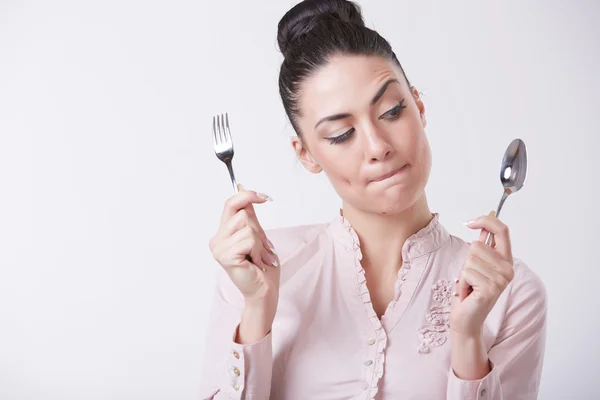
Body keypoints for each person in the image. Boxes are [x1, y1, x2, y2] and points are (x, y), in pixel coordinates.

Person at [201, 0, 547, 398]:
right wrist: (257, 310)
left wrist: (468, 341)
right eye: (341, 134)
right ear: (306, 153)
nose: (378, 146)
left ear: (418, 106)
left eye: (392, 111)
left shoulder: (512, 292)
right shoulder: (255, 269)